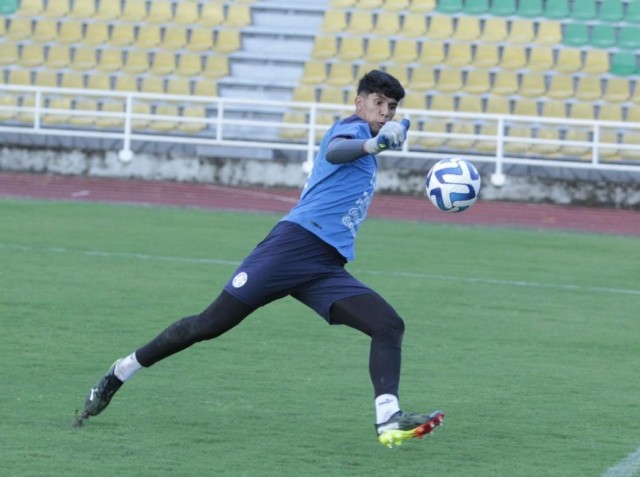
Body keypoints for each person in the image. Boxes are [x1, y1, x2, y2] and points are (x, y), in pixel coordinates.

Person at [75, 70, 444, 448]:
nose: (384, 112)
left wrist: (378, 144)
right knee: (208, 325)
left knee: (388, 324)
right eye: (378, 103)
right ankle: (121, 371)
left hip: (324, 267)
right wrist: (373, 145)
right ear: (359, 102)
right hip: (291, 248)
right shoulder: (349, 130)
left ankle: (387, 419)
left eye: (391, 107)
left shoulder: (371, 139)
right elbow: (337, 150)